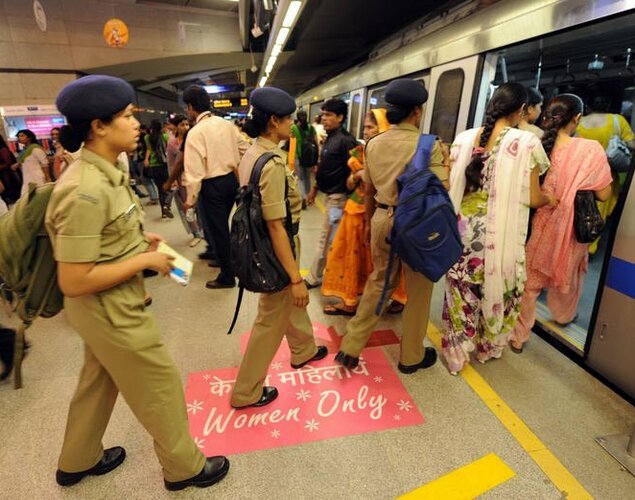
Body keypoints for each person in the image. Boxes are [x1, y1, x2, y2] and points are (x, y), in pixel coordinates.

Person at [48, 75, 228, 491]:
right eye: (127, 116)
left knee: (99, 378)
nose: (135, 124)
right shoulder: (85, 190)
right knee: (159, 382)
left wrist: (138, 243)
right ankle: (185, 468)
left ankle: (77, 459)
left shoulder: (105, 174)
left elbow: (104, 240)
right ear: (98, 126)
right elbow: (73, 280)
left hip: (104, 307)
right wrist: (144, 260)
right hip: (109, 309)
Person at [334, 79, 448, 372]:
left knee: (379, 282)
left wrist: (372, 223)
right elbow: (441, 189)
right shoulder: (429, 145)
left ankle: (350, 346)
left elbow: (369, 191)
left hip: (382, 218)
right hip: (418, 226)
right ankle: (411, 357)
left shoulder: (373, 144)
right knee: (419, 291)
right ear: (417, 111)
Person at [441, 82, 554, 375]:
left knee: (460, 291)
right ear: (521, 110)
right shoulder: (527, 143)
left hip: (462, 230)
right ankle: (485, 347)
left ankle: (456, 352)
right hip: (497, 236)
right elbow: (531, 197)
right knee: (496, 290)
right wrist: (551, 198)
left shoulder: (465, 138)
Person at [230, 86, 327, 408]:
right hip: (276, 245)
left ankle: (304, 350)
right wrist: (296, 277)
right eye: (287, 120)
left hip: (269, 243)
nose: (292, 125)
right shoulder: (270, 164)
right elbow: (275, 225)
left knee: (289, 304)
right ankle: (246, 392)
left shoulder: (252, 152)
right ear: (273, 121)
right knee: (270, 318)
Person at [509, 94, 613, 352]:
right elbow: (603, 194)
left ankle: (519, 337)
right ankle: (563, 316)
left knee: (530, 285)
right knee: (570, 272)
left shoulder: (537, 144)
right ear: (576, 118)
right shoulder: (590, 150)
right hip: (572, 230)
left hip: (541, 225)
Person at [321, 108, 407, 316]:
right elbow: (350, 183)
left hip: (378, 214)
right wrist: (357, 176)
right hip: (355, 212)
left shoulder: (391, 154)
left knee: (382, 261)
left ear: (383, 127)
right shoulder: (360, 151)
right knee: (353, 258)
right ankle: (351, 299)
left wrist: (364, 176)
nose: (366, 131)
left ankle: (395, 298)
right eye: (365, 127)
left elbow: (378, 187)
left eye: (370, 127)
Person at [182, 85, 250, 289]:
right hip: (231, 181)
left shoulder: (196, 132)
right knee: (223, 228)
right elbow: (245, 148)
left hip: (211, 186)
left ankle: (227, 276)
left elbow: (194, 172)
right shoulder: (226, 124)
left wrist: (189, 200)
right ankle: (224, 259)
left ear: (191, 107)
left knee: (218, 231)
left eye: (187, 108)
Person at [304, 99, 359, 289]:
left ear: (340, 117)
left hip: (338, 198)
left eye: (328, 115)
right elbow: (325, 168)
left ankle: (314, 277)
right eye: (323, 114)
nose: (324, 119)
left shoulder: (346, 141)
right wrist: (314, 189)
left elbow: (356, 169)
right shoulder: (331, 138)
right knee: (330, 239)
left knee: (326, 239)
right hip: (330, 197)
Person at [576, 92, 635, 254]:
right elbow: (631, 144)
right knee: (599, 210)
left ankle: (576, 242)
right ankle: (589, 247)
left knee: (578, 207)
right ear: (608, 106)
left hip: (581, 173)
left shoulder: (579, 121)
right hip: (605, 174)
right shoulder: (618, 120)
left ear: (588, 106)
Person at [164, 129, 205, 246]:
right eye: (182, 124)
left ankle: (202, 230)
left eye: (186, 124)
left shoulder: (196, 146)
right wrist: (171, 181)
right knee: (188, 208)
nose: (185, 126)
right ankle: (196, 233)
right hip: (183, 181)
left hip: (198, 180)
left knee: (199, 209)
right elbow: (173, 164)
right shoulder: (173, 144)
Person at [144, 119, 174, 219]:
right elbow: (169, 149)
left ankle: (163, 212)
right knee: (168, 187)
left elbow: (148, 149)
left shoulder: (147, 137)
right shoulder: (165, 136)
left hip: (154, 165)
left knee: (160, 189)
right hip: (165, 164)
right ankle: (167, 205)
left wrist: (146, 159)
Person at [290, 109, 317, 203]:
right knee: (307, 177)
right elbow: (315, 141)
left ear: (297, 118)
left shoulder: (293, 128)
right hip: (309, 157)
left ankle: (304, 197)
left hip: (299, 156)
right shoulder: (311, 127)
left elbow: (290, 142)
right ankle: (310, 197)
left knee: (300, 178)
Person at [14, 129, 49, 195]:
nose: (19, 138)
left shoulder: (35, 148)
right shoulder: (23, 151)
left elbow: (45, 164)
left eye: (22, 136)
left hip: (37, 177)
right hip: (27, 178)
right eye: (18, 136)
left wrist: (47, 178)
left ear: (29, 137)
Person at [0, 134, 22, 205]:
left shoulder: (3, 149)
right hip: (4, 176)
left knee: (11, 196)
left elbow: (7, 163)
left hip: (7, 176)